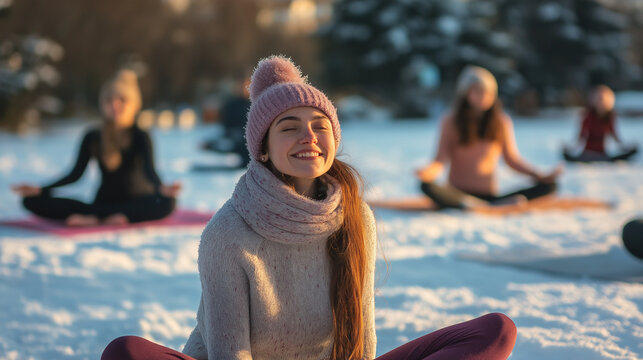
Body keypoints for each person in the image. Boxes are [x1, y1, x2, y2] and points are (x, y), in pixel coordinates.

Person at [101, 56, 516, 360]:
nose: (309, 136)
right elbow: (231, 354)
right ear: (262, 149)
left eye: (319, 125)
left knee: (495, 331)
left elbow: (362, 337)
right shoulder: (227, 232)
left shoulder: (356, 217)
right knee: (126, 352)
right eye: (289, 127)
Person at [11, 70, 180, 226]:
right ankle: (104, 217)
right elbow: (75, 174)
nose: (115, 104)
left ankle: (110, 217)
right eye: (109, 99)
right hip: (102, 205)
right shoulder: (93, 136)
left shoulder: (140, 135)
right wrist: (41, 189)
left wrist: (161, 188)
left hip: (138, 204)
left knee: (168, 203)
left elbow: (149, 171)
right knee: (30, 201)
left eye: (122, 99)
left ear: (134, 104)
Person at [416, 65, 562, 209]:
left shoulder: (501, 121)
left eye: (488, 92)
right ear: (465, 93)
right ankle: (472, 203)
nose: (483, 96)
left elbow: (512, 159)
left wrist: (539, 175)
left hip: (489, 195)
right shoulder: (450, 121)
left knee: (550, 187)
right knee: (427, 186)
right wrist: (427, 172)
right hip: (457, 194)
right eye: (478, 91)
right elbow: (440, 160)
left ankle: (486, 204)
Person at [563, 85, 638, 162]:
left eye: (603, 100)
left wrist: (626, 148)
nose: (600, 103)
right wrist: (570, 148)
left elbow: (615, 136)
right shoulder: (588, 116)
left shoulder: (609, 117)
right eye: (598, 99)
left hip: (602, 154)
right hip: (588, 154)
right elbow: (581, 137)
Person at [201, 71, 252, 168]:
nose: (242, 87)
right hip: (233, 142)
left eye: (244, 84)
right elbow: (224, 129)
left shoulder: (256, 105)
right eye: (239, 84)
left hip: (249, 144)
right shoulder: (229, 106)